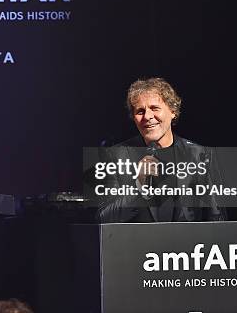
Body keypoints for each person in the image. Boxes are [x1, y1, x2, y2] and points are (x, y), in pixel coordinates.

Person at [97, 77, 226, 222]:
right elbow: (104, 218)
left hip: (187, 244)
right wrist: (138, 186)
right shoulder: (116, 156)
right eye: (140, 111)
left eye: (154, 108)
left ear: (173, 111)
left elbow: (217, 218)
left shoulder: (200, 155)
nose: (147, 116)